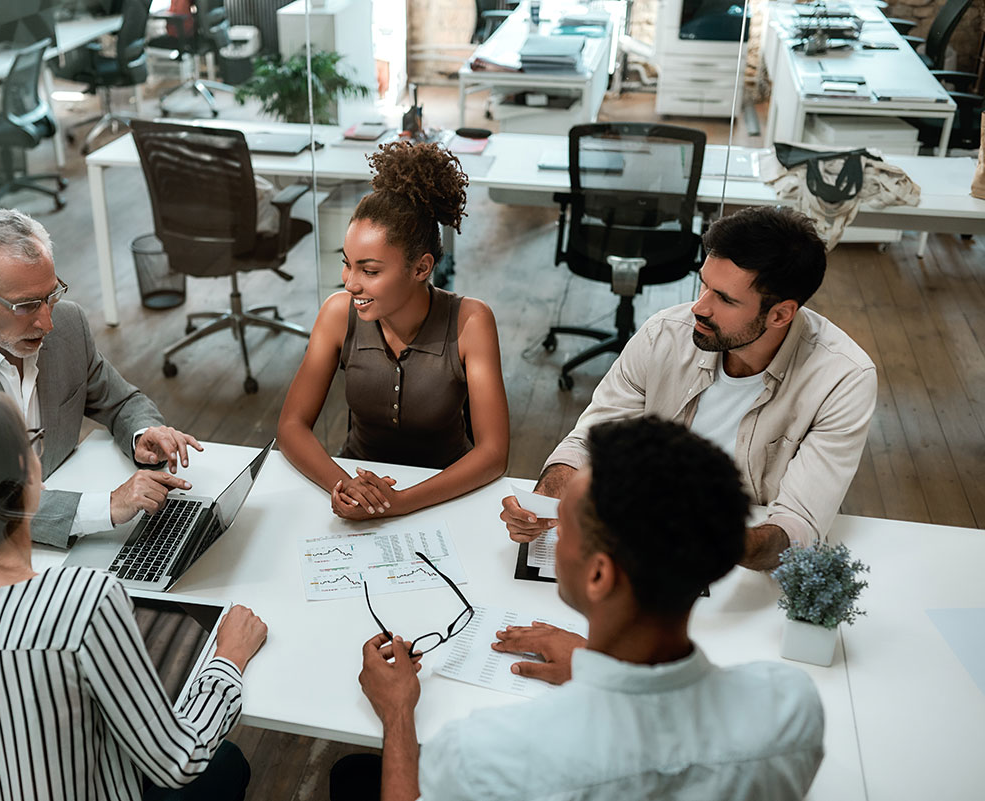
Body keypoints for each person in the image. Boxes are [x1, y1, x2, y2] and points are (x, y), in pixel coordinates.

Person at [353, 417, 825, 801]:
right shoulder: (789, 708)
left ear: (598, 576)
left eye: (564, 527)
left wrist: (397, 713)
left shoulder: (486, 754)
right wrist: (598, 661)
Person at [0, 377, 267, 801]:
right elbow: (178, 760)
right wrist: (227, 661)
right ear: (21, 479)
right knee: (226, 763)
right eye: (31, 444)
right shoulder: (84, 601)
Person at [502, 206, 877, 570]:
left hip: (741, 559)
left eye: (725, 299)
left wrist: (718, 541)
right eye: (704, 285)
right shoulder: (663, 333)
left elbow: (797, 526)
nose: (699, 307)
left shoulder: (843, 379)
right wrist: (546, 498)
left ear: (780, 314)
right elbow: (588, 442)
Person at [0, 209, 200, 589]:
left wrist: (142, 432)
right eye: (26, 305)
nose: (47, 321)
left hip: (59, 541)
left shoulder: (67, 324)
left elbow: (118, 400)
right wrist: (108, 506)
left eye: (51, 295)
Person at [277, 142, 509, 520]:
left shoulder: (471, 321)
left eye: (369, 271)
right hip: (355, 483)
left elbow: (493, 454)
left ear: (421, 268)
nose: (350, 283)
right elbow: (291, 426)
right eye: (347, 264)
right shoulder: (338, 314)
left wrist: (396, 504)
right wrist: (343, 486)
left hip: (447, 494)